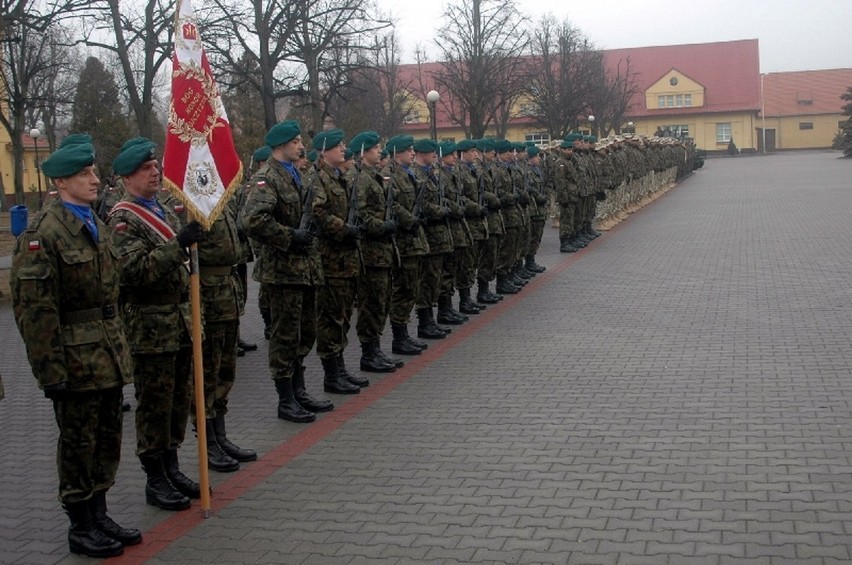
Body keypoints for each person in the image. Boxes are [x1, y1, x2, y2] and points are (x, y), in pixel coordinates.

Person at [11, 141, 140, 557]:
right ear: (61, 180)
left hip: (106, 350)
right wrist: (51, 372)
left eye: (94, 172)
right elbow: (35, 311)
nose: (95, 179)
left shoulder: (95, 224)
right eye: (85, 174)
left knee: (107, 438)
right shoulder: (42, 233)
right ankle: (80, 523)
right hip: (73, 357)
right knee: (78, 442)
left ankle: (99, 512)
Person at [108, 137, 204, 512]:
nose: (155, 172)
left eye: (155, 166)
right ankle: (154, 477)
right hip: (150, 326)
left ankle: (172, 465)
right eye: (146, 169)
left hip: (178, 321)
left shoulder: (162, 205)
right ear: (128, 177)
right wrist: (177, 245)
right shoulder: (123, 218)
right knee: (155, 404)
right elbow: (133, 272)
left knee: (179, 400)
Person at [240, 120, 327, 424]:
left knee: (305, 332)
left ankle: (299, 391)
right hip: (282, 272)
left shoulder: (296, 175)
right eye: (296, 141)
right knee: (285, 336)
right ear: (281, 145)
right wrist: (289, 236)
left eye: (301, 141)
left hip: (304, 269)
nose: (301, 146)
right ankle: (285, 399)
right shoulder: (267, 178)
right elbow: (252, 220)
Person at [195, 194, 258, 472]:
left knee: (224, 371)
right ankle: (207, 442)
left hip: (226, 292)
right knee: (207, 373)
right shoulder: (192, 202)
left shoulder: (218, 200)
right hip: (207, 295)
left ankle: (220, 436)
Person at [309, 128, 364, 392]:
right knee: (331, 318)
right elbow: (317, 212)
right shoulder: (319, 179)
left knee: (342, 316)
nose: (343, 149)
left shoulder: (338, 177)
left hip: (346, 259)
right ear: (324, 151)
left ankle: (340, 369)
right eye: (338, 146)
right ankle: (331, 376)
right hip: (331, 260)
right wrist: (343, 228)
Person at [350, 130, 401, 372]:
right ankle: (368, 354)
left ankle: (376, 350)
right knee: (371, 305)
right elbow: (360, 215)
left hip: (382, 252)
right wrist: (382, 226)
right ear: (363, 152)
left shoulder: (375, 176)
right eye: (374, 147)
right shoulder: (362, 179)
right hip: (370, 253)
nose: (379, 151)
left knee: (381, 303)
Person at [383, 135, 431, 353]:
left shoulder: (409, 174)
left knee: (412, 288)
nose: (412, 153)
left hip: (414, 240)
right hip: (403, 241)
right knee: (403, 290)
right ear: (397, 152)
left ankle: (405, 334)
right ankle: (399, 337)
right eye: (408, 150)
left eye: (413, 149)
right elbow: (391, 204)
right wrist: (409, 220)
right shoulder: (389, 175)